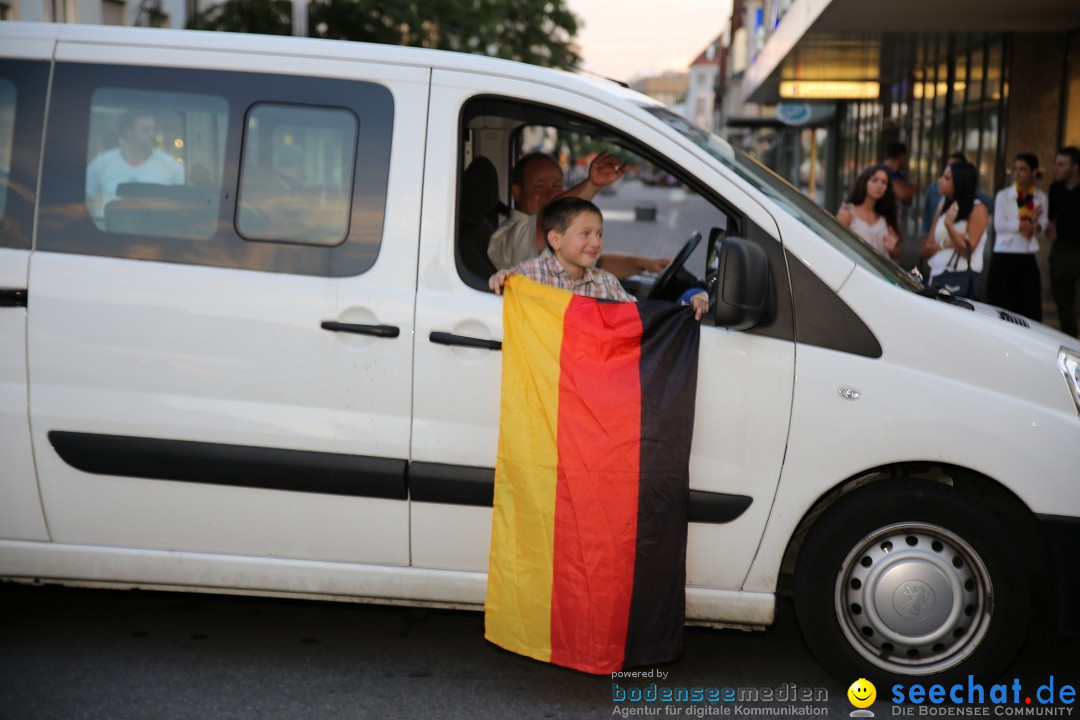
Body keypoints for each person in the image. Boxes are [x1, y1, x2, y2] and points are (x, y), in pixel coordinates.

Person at [489, 197, 709, 320]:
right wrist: (502, 278)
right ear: (556, 240)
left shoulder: (605, 282)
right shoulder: (529, 274)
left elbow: (642, 318)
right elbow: (506, 293)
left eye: (600, 234)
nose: (596, 242)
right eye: (585, 234)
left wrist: (690, 298)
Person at [487, 151, 669, 280]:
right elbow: (548, 217)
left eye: (557, 186)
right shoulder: (505, 237)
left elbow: (597, 264)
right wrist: (592, 184)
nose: (551, 194)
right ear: (517, 192)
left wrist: (643, 264)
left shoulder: (554, 230)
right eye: (539, 186)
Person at [85, 109, 184, 222]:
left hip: (154, 234)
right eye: (145, 130)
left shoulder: (171, 166)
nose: (152, 134)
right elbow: (87, 200)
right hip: (109, 234)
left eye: (154, 129)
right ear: (127, 131)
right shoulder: (102, 163)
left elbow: (180, 204)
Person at [987, 153, 1047, 320]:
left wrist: (1033, 224)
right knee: (1001, 308)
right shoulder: (1004, 195)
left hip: (1026, 257)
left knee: (1028, 310)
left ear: (1033, 172)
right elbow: (999, 225)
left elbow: (1042, 224)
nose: (1018, 173)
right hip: (1004, 256)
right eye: (1015, 169)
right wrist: (1023, 224)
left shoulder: (1040, 198)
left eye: (1023, 169)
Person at [922, 161, 989, 291]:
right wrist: (945, 244)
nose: (940, 181)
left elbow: (967, 249)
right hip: (936, 277)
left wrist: (949, 226)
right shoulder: (943, 207)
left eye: (947, 178)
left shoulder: (977, 209)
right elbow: (926, 249)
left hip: (959, 279)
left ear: (960, 183)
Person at [1047, 146, 1080, 337]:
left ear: (1075, 167)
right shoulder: (1055, 189)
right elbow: (1050, 217)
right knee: (1063, 300)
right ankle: (1071, 340)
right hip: (1061, 250)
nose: (1056, 168)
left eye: (1061, 164)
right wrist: (1049, 228)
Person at [837, 166, 901, 260]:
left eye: (884, 182)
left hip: (879, 273)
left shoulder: (886, 217)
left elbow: (896, 256)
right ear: (864, 182)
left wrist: (893, 249)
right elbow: (834, 245)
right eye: (875, 180)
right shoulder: (848, 214)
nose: (879, 185)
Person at [879, 142, 919, 207]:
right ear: (901, 157)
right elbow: (902, 194)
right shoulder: (881, 171)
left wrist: (906, 190)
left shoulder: (898, 175)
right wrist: (913, 188)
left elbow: (908, 200)